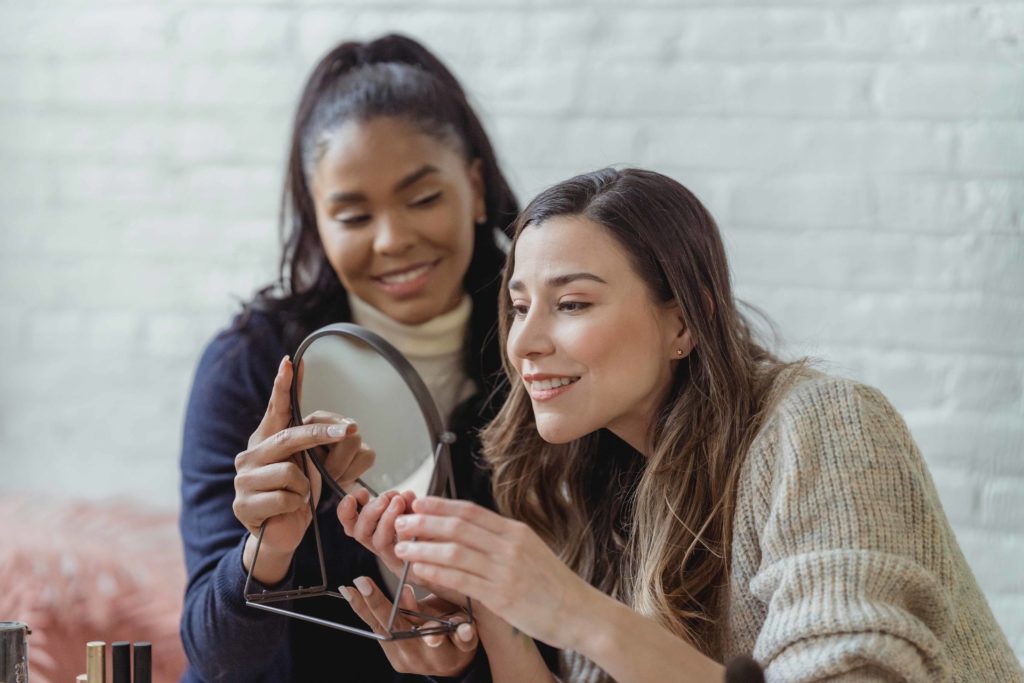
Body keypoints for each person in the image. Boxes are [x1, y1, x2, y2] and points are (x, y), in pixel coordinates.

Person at [345, 168, 1023, 681]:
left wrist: (570, 608)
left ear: (684, 318)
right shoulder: (594, 483)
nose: (524, 342)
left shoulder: (823, 425)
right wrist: (493, 604)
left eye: (572, 302)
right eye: (520, 306)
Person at [178, 34, 519, 682]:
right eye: (354, 214)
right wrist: (266, 549)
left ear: (474, 188)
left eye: (422, 199)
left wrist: (466, 650)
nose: (393, 240)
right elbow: (215, 657)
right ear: (317, 221)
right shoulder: (251, 368)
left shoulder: (541, 357)